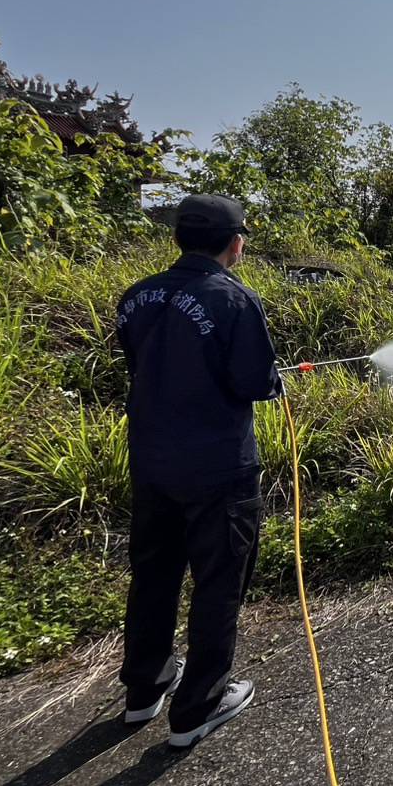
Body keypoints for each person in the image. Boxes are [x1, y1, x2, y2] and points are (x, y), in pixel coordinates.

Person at [116, 193, 282, 748]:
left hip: (152, 463)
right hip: (218, 470)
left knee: (154, 574)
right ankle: (198, 708)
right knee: (218, 583)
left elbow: (145, 365)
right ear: (236, 243)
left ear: (178, 238)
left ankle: (144, 689)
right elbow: (254, 384)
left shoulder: (136, 297)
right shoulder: (236, 300)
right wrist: (273, 379)